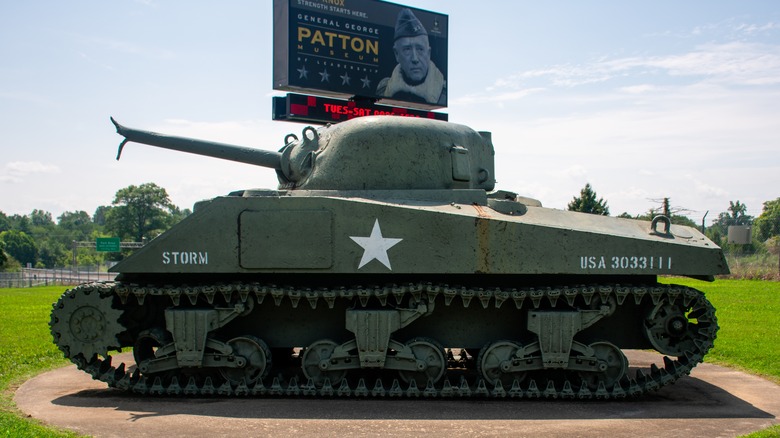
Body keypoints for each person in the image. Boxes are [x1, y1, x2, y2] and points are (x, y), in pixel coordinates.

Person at [376, 8, 446, 106]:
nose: (415, 59)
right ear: (397, 54)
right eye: (407, 49)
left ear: (429, 53)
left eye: (420, 49)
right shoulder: (382, 90)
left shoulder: (443, 93)